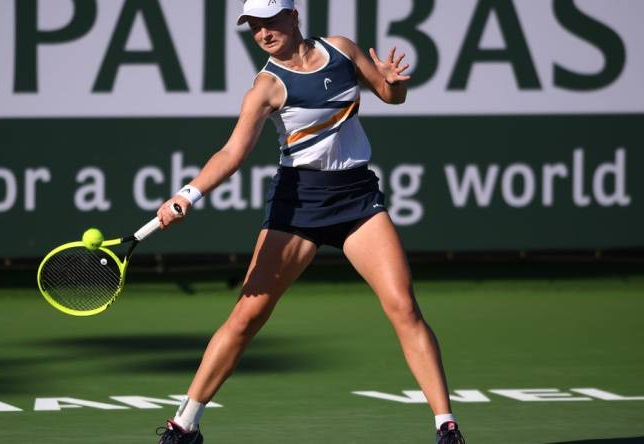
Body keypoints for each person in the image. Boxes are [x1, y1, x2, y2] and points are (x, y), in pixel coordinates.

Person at [154, 1, 465, 443]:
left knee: (403, 306)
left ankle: (446, 426)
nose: (263, 33)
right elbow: (232, 153)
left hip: (357, 198)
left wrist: (394, 87)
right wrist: (188, 193)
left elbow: (391, 95)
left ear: (293, 16)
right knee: (247, 316)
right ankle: (185, 424)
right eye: (254, 26)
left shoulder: (341, 50)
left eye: (270, 22)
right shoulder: (266, 86)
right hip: (299, 205)